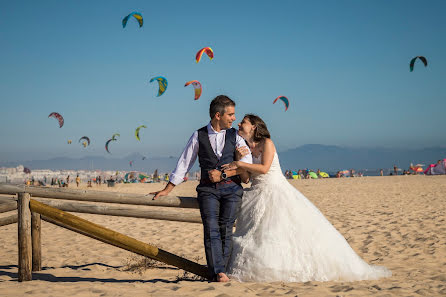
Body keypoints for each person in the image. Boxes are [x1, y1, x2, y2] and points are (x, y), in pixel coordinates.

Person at [218, 114, 391, 282]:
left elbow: (264, 168)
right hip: (256, 193)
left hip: (275, 191)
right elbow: (247, 179)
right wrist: (240, 158)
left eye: (243, 122)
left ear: (254, 126)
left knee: (276, 231)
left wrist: (239, 164)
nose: (239, 124)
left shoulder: (267, 143)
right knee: (257, 234)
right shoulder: (244, 148)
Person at [149, 95, 252, 282]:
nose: (234, 118)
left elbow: (247, 161)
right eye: (231, 114)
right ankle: (218, 272)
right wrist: (167, 189)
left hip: (232, 190)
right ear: (218, 115)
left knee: (226, 229)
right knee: (211, 229)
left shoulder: (235, 136)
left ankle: (223, 270)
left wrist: (227, 172)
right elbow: (184, 163)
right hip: (208, 190)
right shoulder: (198, 135)